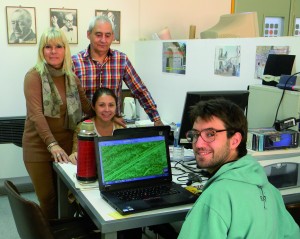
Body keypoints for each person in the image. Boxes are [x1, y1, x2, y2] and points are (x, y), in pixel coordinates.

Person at [178, 98, 300, 238]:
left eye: (210, 134)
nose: (198, 144)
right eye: (195, 135)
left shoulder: (216, 197)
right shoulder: (270, 190)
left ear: (235, 140)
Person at [22, 27, 93, 219]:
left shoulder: (71, 77)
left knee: (66, 197)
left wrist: (109, 115)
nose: (53, 51)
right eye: (48, 47)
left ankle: (64, 231)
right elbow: (36, 114)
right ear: (42, 50)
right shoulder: (33, 76)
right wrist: (52, 144)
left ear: (65, 49)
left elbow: (87, 106)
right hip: (39, 147)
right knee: (48, 199)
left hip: (66, 147)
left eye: (58, 46)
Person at [72, 15, 163, 127]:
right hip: (85, 127)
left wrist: (156, 118)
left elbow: (140, 90)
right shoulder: (75, 62)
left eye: (108, 35)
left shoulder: (121, 60)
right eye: (98, 35)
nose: (103, 40)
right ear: (88, 34)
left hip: (113, 127)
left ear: (113, 37)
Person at [69, 87, 123, 164]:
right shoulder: (83, 127)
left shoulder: (120, 127)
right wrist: (74, 156)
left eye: (111, 105)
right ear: (93, 106)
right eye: (101, 105)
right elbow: (75, 154)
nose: (107, 109)